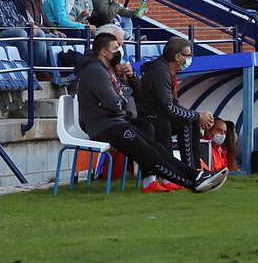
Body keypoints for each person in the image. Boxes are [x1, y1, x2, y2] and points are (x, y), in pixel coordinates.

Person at [74, 27, 226, 194]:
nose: (120, 51)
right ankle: (193, 183)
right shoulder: (95, 71)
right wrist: (122, 98)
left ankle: (197, 176)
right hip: (105, 126)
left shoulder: (107, 70)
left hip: (117, 122)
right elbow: (117, 104)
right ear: (103, 52)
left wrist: (123, 94)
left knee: (157, 149)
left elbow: (125, 94)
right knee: (149, 153)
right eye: (116, 48)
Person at [134, 37, 213, 191]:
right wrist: (197, 115)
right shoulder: (160, 72)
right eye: (188, 56)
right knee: (179, 122)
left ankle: (194, 170)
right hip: (146, 117)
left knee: (189, 121)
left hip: (157, 115)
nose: (190, 59)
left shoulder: (167, 71)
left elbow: (173, 104)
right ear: (178, 57)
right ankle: (187, 175)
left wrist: (196, 116)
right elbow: (168, 107)